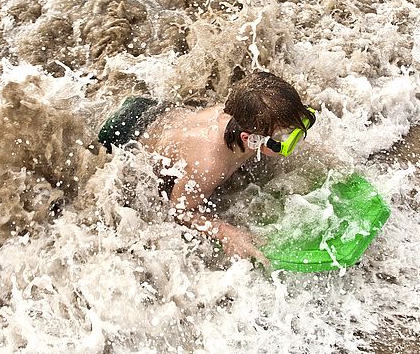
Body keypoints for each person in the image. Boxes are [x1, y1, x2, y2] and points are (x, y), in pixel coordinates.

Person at [97, 71, 316, 264]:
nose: (296, 139)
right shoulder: (210, 166)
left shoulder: (243, 113)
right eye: (286, 138)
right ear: (249, 140)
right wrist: (226, 232)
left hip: (151, 109)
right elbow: (178, 211)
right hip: (124, 134)